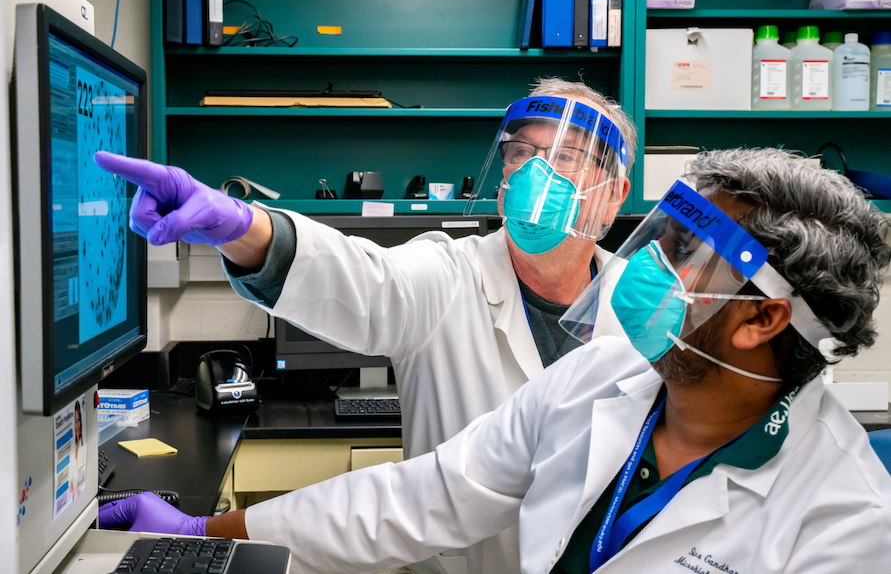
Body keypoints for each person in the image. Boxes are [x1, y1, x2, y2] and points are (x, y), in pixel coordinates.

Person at [99, 148, 891, 572]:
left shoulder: (846, 526)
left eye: (687, 253)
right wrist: (203, 529)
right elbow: (424, 498)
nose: (653, 264)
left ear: (760, 316)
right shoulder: (604, 378)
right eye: (665, 236)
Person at [94, 79, 637, 574]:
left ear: (613, 194)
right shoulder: (451, 273)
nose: (534, 173)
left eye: (565, 156)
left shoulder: (647, 310)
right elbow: (364, 281)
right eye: (521, 153)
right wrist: (240, 226)